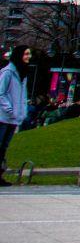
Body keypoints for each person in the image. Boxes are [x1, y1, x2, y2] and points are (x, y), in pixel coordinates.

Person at [0, 47, 30, 185]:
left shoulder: (22, 73)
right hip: (3, 116)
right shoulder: (7, 72)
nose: (28, 56)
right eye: (26, 54)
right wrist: (9, 109)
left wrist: (21, 112)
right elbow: (1, 93)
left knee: (4, 146)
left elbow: (22, 96)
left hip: (14, 117)